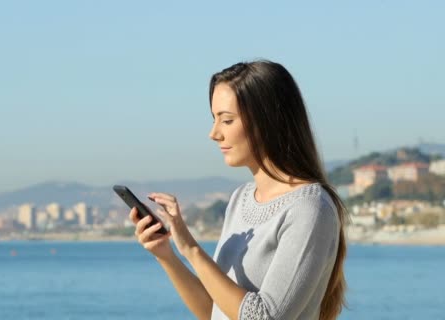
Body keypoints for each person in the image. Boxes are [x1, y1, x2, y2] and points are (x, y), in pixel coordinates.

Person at [129, 60, 348, 320]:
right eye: (214, 119)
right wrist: (167, 255)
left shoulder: (309, 208)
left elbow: (264, 318)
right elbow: (214, 312)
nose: (214, 133)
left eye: (227, 120)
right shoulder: (240, 199)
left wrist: (190, 249)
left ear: (267, 120)